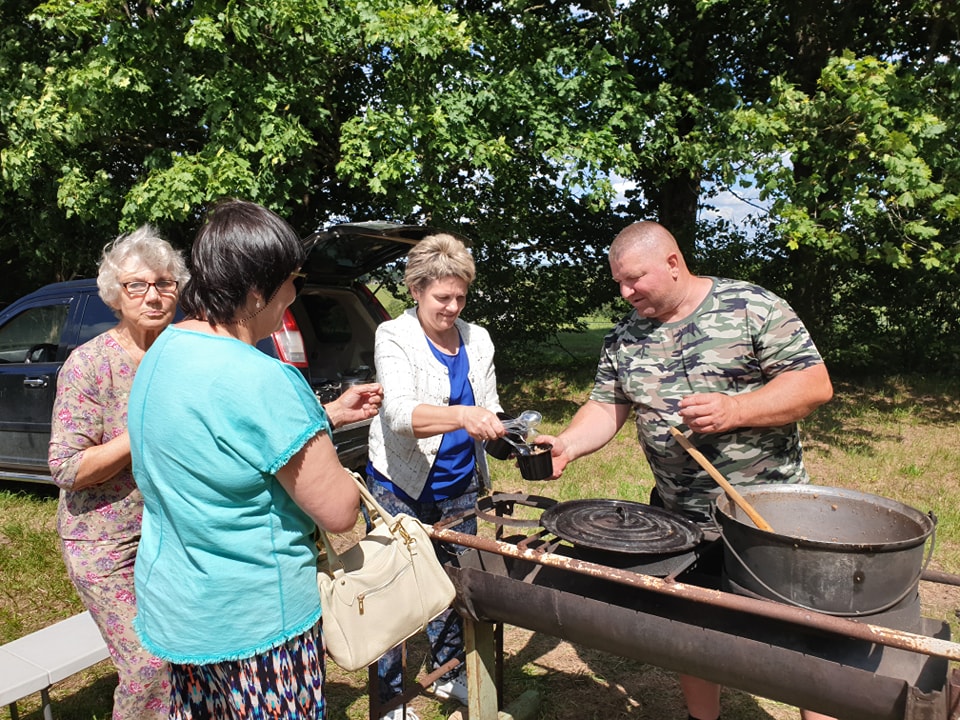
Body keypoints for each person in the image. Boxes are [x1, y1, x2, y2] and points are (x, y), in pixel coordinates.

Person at [538, 221, 835, 720]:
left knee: (801, 636)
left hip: (768, 518)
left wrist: (735, 411)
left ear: (673, 263)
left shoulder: (752, 307)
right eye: (619, 283)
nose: (626, 291)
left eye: (635, 279)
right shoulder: (626, 338)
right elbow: (606, 406)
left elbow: (813, 385)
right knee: (693, 631)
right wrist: (567, 443)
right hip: (681, 518)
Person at [127, 199, 379, 719]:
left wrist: (323, 417)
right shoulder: (266, 377)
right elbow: (337, 511)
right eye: (292, 280)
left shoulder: (162, 353)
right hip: (257, 620)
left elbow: (224, 444)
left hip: (182, 609)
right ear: (257, 292)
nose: (295, 293)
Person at [48, 226, 189, 719]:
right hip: (104, 542)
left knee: (185, 656)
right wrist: (141, 432)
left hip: (173, 531)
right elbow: (66, 467)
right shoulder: (89, 365)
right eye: (137, 285)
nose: (153, 295)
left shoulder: (181, 354)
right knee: (148, 666)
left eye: (164, 283)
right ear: (116, 294)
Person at [366, 233, 506, 720]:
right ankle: (389, 699)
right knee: (396, 591)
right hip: (399, 481)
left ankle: (447, 673)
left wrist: (509, 434)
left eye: (460, 297)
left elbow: (489, 406)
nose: (451, 307)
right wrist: (466, 416)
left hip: (459, 484)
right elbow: (401, 415)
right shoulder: (394, 336)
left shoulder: (478, 338)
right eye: (441, 297)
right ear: (416, 291)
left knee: (452, 585)